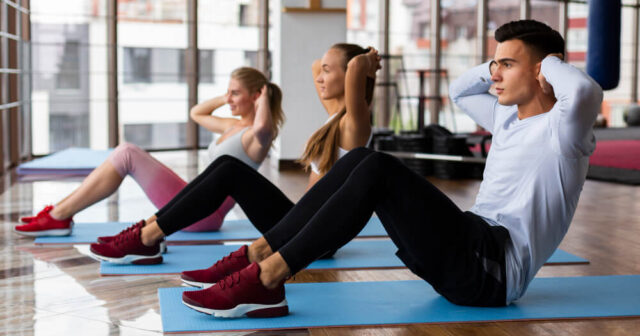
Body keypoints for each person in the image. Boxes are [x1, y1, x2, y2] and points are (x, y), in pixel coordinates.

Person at [178, 19, 603, 319]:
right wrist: (506, 59)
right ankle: (256, 256)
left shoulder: (563, 133)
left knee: (378, 167)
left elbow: (583, 88)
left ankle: (267, 278)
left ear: (546, 71)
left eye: (507, 66)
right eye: (494, 65)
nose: (494, 75)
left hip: (492, 271)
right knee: (363, 160)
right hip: (466, 244)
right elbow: (460, 89)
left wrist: (545, 63)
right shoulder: (508, 119)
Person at [87, 43, 380, 265]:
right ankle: (147, 232)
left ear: (352, 75)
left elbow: (354, 69)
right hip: (302, 222)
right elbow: (317, 65)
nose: (320, 76)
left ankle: (147, 238)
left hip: (317, 235)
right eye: (324, 71)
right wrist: (338, 64)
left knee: (229, 171)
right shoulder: (334, 115)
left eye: (330, 71)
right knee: (227, 164)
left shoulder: (355, 122)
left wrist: (367, 61)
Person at [15, 67, 284, 238]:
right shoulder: (232, 125)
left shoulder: (255, 137)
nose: (229, 99)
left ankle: (59, 217)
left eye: (236, 93)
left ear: (256, 96)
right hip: (195, 201)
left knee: (127, 153)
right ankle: (59, 212)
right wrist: (224, 97)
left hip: (205, 215)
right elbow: (196, 113)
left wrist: (264, 99)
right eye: (229, 92)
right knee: (126, 152)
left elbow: (262, 127)